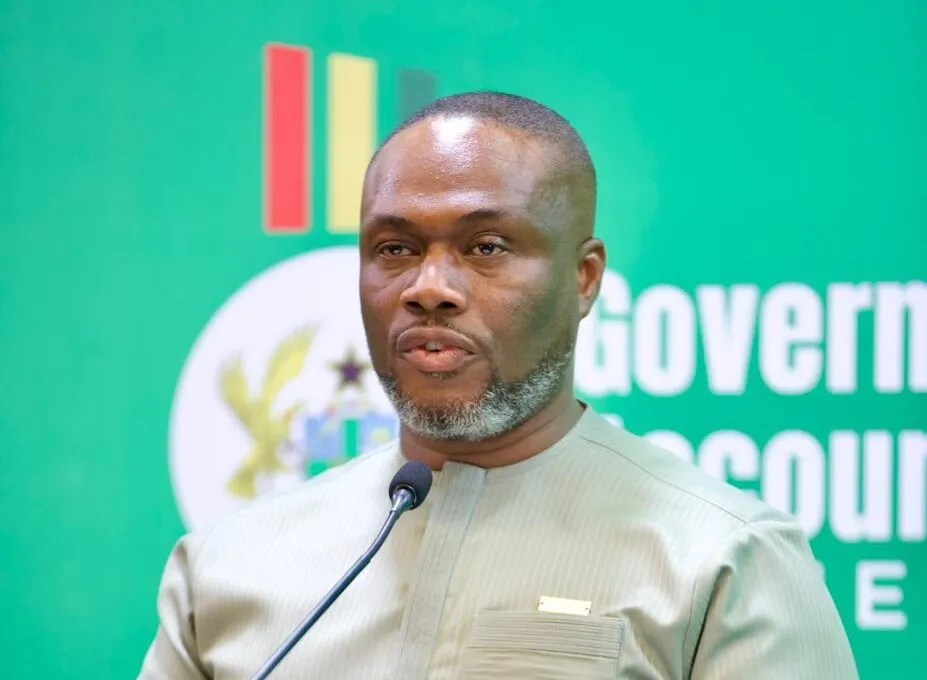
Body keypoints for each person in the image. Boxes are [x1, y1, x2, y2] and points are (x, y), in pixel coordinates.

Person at [139, 92, 858, 679]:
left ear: (584, 279)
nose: (428, 287)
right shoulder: (228, 566)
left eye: (486, 247)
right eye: (395, 248)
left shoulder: (721, 559)